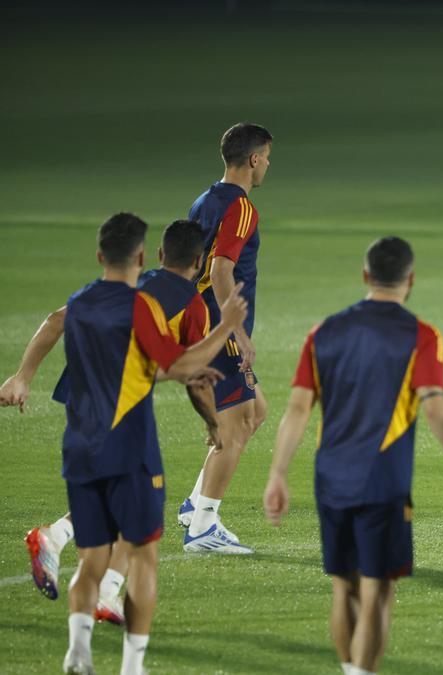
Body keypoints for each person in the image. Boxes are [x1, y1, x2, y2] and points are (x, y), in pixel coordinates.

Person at [263, 236, 443, 675]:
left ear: (365, 276)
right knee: (377, 591)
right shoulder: (421, 336)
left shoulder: (322, 332)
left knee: (342, 587)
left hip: (330, 479)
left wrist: (277, 473)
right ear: (411, 280)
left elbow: (296, 409)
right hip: (382, 482)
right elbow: (436, 405)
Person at [49, 212, 246, 675]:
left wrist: (22, 376)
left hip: (79, 442)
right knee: (145, 554)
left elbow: (56, 327)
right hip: (129, 445)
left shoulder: (82, 302)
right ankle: (132, 666)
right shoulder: (145, 307)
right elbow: (176, 367)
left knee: (91, 559)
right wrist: (226, 327)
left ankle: (78, 649)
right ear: (141, 256)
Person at [3, 219, 220, 623]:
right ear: (200, 261)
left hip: (83, 393)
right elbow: (194, 377)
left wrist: (23, 376)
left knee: (116, 497)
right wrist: (212, 423)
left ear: (156, 255)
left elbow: (55, 319)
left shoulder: (134, 282)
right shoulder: (192, 305)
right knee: (141, 507)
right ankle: (63, 546)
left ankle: (94, 578)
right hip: (120, 404)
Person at [178, 122, 273, 553]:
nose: (268, 164)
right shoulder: (242, 208)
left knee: (256, 412)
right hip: (219, 328)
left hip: (201, 322)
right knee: (234, 427)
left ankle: (194, 504)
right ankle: (203, 527)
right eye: (267, 157)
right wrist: (235, 332)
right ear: (254, 159)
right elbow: (219, 270)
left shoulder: (205, 198)